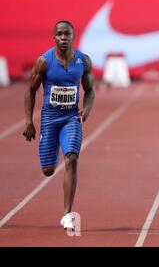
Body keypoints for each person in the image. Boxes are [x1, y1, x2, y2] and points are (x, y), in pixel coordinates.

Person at [23, 20, 95, 231]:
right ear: (54, 37)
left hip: (71, 118)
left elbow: (90, 90)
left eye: (67, 34)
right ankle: (49, 158)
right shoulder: (44, 62)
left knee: (71, 158)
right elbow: (30, 90)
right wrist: (29, 121)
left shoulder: (83, 61)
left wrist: (87, 109)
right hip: (50, 119)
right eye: (60, 34)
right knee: (47, 170)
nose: (63, 38)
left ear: (73, 36)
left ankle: (67, 214)